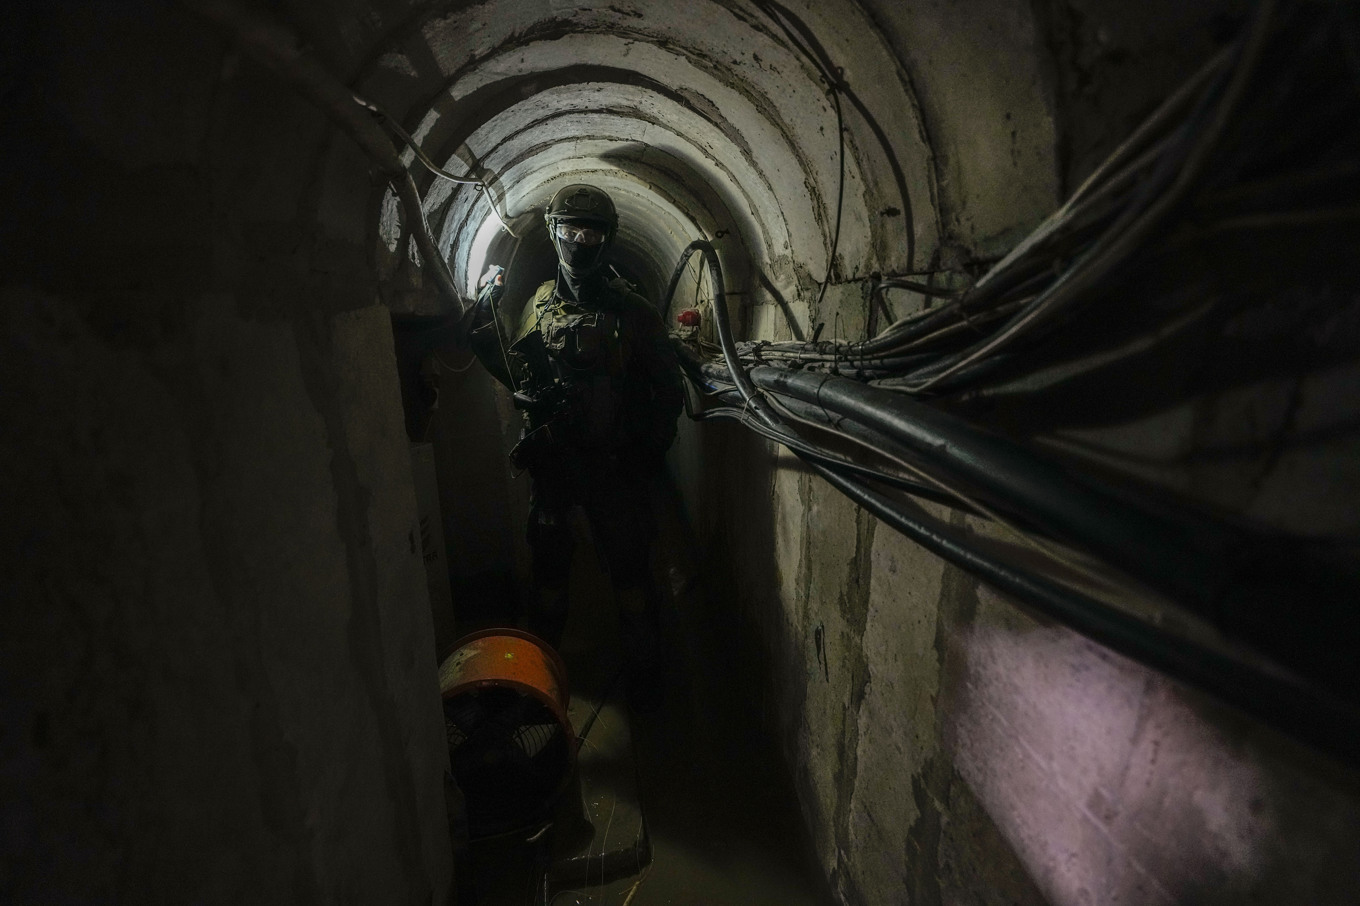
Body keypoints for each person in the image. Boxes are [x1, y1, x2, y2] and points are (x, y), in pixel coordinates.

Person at [464, 183, 683, 708]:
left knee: (631, 578)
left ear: (608, 238)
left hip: (615, 469)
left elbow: (669, 390)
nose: (580, 242)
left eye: (592, 234)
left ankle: (646, 683)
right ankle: (538, 685)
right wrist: (486, 317)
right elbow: (519, 371)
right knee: (548, 579)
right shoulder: (539, 304)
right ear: (553, 232)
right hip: (556, 469)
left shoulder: (634, 312)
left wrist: (645, 454)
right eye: (570, 230)